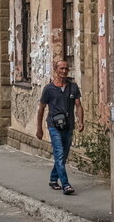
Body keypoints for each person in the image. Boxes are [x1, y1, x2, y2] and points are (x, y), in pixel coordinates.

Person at [35, 60, 84, 195]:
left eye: (66, 68)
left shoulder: (73, 87)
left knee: (63, 156)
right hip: (54, 126)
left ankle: (53, 179)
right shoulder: (48, 89)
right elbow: (41, 109)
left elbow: (78, 105)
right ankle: (66, 185)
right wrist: (39, 128)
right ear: (55, 69)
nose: (64, 71)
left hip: (68, 126)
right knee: (60, 153)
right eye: (61, 68)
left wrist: (81, 121)